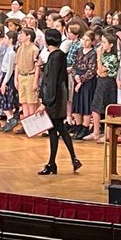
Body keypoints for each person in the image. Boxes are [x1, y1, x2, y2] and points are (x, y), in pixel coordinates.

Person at [37, 28, 82, 175]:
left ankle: (53, 164)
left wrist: (45, 102)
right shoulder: (60, 55)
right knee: (60, 129)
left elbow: (51, 81)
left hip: (54, 99)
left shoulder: (55, 57)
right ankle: (70, 159)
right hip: (59, 97)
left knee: (54, 130)